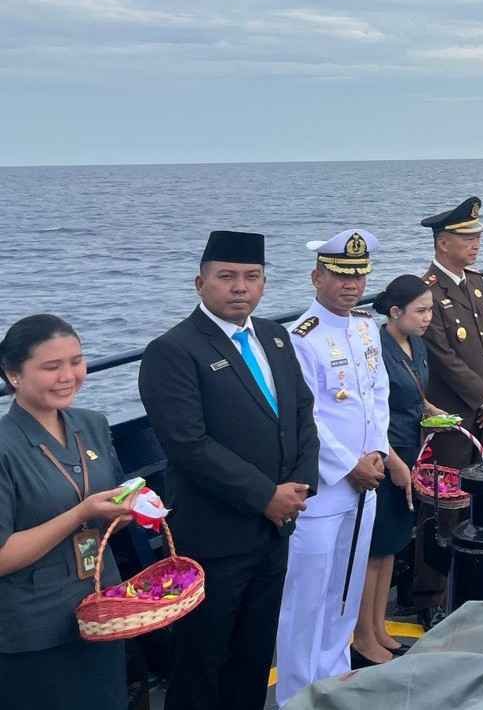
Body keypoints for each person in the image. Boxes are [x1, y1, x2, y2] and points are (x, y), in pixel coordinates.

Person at [138, 230, 320, 710]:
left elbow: (302, 413)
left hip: (274, 530)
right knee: (202, 663)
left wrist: (300, 487)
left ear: (263, 283)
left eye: (251, 276)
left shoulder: (276, 337)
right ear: (200, 283)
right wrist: (266, 496)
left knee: (253, 658)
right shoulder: (173, 350)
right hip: (215, 538)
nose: (240, 287)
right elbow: (188, 444)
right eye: (226, 276)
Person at [275, 229, 391, 704]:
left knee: (346, 588)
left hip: (367, 479)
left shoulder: (366, 327)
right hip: (325, 487)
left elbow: (377, 394)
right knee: (308, 598)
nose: (352, 285)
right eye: (341, 276)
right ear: (316, 277)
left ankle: (337, 680)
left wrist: (379, 451)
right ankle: (298, 696)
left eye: (359, 276)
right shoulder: (302, 337)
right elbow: (308, 416)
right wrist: (348, 465)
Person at [0, 315, 133, 709]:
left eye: (76, 362)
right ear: (13, 375)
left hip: (104, 609)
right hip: (35, 629)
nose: (68, 376)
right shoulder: (5, 447)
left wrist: (126, 512)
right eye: (51, 367)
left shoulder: (92, 424)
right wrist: (79, 514)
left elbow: (107, 511)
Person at [416, 198, 483, 625]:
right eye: (467, 238)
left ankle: (470, 580)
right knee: (443, 505)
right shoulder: (430, 290)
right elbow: (443, 357)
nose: (476, 244)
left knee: (475, 498)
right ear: (443, 242)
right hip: (451, 418)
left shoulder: (474, 281)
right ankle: (431, 595)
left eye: (477, 237)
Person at [358, 274, 435, 665]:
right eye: (420, 311)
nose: (427, 318)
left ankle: (379, 626)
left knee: (392, 544)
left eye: (430, 310)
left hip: (412, 447)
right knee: (375, 547)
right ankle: (362, 635)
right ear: (394, 312)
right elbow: (371, 410)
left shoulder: (417, 344)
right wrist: (393, 461)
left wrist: (434, 412)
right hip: (387, 453)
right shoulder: (377, 348)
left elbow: (416, 395)